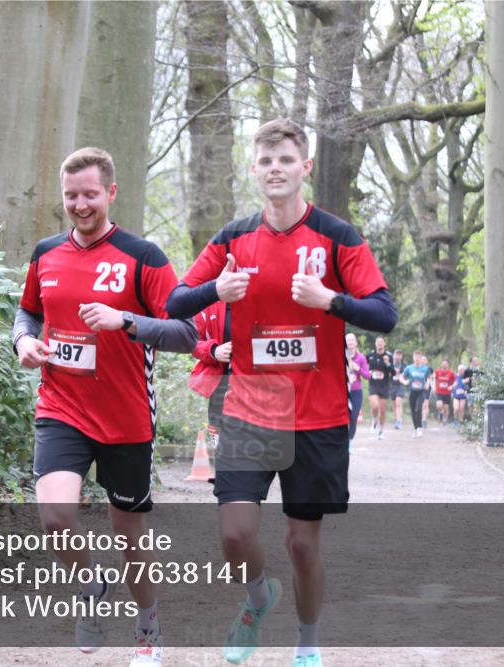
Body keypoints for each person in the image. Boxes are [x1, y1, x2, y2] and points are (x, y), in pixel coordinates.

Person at [165, 118, 396, 667]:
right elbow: (174, 302)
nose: (275, 169)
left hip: (317, 416)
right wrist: (213, 290)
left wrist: (330, 301)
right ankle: (258, 597)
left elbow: (384, 314)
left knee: (301, 542)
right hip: (249, 410)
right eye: (266, 161)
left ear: (305, 168)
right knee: (235, 536)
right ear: (254, 169)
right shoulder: (232, 239)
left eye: (286, 160)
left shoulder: (338, 238)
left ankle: (308, 644)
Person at [13, 147, 198, 667]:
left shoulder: (144, 257)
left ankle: (148, 628)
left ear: (111, 193)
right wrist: (23, 343)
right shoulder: (46, 254)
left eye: (90, 194)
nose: (80, 204)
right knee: (55, 516)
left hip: (125, 418)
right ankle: (91, 588)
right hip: (61, 406)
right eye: (71, 195)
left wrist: (126, 322)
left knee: (131, 537)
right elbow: (26, 314)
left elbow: (188, 332)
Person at [189, 300, 231, 473]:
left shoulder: (262, 298)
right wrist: (214, 350)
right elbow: (191, 341)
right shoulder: (209, 304)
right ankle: (222, 467)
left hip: (258, 385)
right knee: (217, 428)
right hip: (220, 382)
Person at [365, 336, 395, 439]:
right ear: (375, 344)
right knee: (375, 406)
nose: (379, 344)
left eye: (381, 342)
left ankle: (381, 430)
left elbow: (393, 372)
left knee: (382, 410)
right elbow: (363, 366)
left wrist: (387, 363)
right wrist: (367, 372)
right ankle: (374, 419)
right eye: (378, 342)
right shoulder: (370, 355)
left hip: (384, 386)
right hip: (373, 385)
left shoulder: (389, 356)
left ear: (384, 344)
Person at [345, 332, 370, 447]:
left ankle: (350, 441)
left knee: (353, 417)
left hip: (356, 391)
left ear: (355, 343)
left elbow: (367, 375)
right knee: (343, 418)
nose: (349, 342)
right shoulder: (340, 355)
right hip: (343, 391)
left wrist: (357, 368)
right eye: (347, 340)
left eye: (352, 340)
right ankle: (342, 442)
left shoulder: (361, 358)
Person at [402, 352, 432, 438]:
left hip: (421, 392)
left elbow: (429, 377)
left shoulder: (425, 369)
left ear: (421, 359)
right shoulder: (409, 368)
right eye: (415, 357)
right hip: (412, 392)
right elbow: (402, 376)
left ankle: (419, 428)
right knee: (413, 411)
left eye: (418, 357)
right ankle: (415, 429)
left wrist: (427, 384)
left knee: (418, 409)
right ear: (413, 358)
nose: (417, 359)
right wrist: (405, 382)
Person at [388, 349, 407, 430]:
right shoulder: (390, 364)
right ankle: (397, 419)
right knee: (394, 404)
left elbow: (406, 375)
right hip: (392, 385)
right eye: (396, 354)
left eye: (399, 354)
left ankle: (399, 421)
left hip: (400, 385)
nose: (398, 356)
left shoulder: (404, 365)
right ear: (393, 355)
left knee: (398, 402)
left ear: (401, 356)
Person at [433, 359, 455, 425]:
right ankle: (440, 413)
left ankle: (445, 419)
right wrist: (434, 387)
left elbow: (455, 381)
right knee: (439, 405)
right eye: (443, 363)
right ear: (441, 364)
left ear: (448, 365)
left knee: (446, 407)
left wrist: (452, 386)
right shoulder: (437, 372)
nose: (444, 365)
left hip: (447, 392)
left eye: (446, 364)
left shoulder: (451, 373)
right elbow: (434, 379)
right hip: (439, 391)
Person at [420, 354, 433, 428]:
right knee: (420, 405)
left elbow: (430, 377)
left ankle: (424, 419)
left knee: (425, 404)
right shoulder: (417, 368)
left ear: (426, 361)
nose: (423, 361)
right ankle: (421, 418)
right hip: (419, 388)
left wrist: (427, 384)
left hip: (427, 388)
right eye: (422, 359)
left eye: (424, 360)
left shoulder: (429, 369)